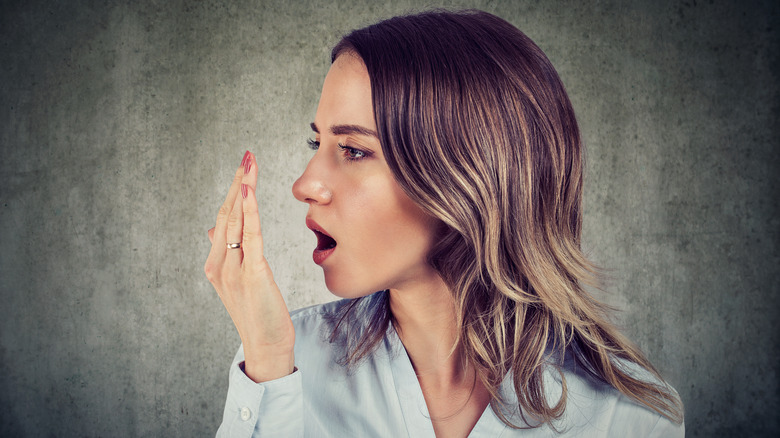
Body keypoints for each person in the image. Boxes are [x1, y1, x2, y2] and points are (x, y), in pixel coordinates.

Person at [205, 9, 685, 437]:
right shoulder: (282, 366)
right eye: (318, 146)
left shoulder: (623, 415)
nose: (305, 184)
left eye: (353, 150)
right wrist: (267, 362)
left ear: (466, 174)